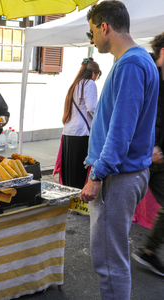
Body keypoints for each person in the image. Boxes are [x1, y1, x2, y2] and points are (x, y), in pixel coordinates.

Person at [81, 1, 159, 299]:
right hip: (128, 173)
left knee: (110, 263)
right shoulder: (139, 60)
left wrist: (96, 175)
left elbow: (121, 130)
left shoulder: (129, 64)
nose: (92, 40)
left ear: (105, 27)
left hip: (117, 177)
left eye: (92, 32)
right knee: (112, 260)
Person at [132, 32, 164, 277]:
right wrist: (150, 144)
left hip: (157, 157)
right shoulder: (147, 72)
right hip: (144, 154)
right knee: (120, 203)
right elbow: (137, 112)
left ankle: (149, 251)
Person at [61, 57, 101, 189]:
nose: (96, 78)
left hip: (69, 131)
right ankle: (78, 201)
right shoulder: (89, 83)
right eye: (97, 75)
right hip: (82, 133)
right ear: (93, 73)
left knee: (69, 171)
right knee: (79, 172)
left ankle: (70, 201)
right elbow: (92, 108)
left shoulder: (75, 84)